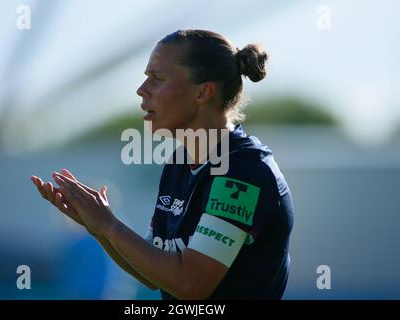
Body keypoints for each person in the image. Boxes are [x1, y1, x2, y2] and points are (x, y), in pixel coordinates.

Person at [31, 29, 294, 300]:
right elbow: (151, 274)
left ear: (203, 92)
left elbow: (190, 284)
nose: (141, 90)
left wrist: (110, 225)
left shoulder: (245, 172)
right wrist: (97, 228)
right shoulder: (180, 162)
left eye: (157, 79)